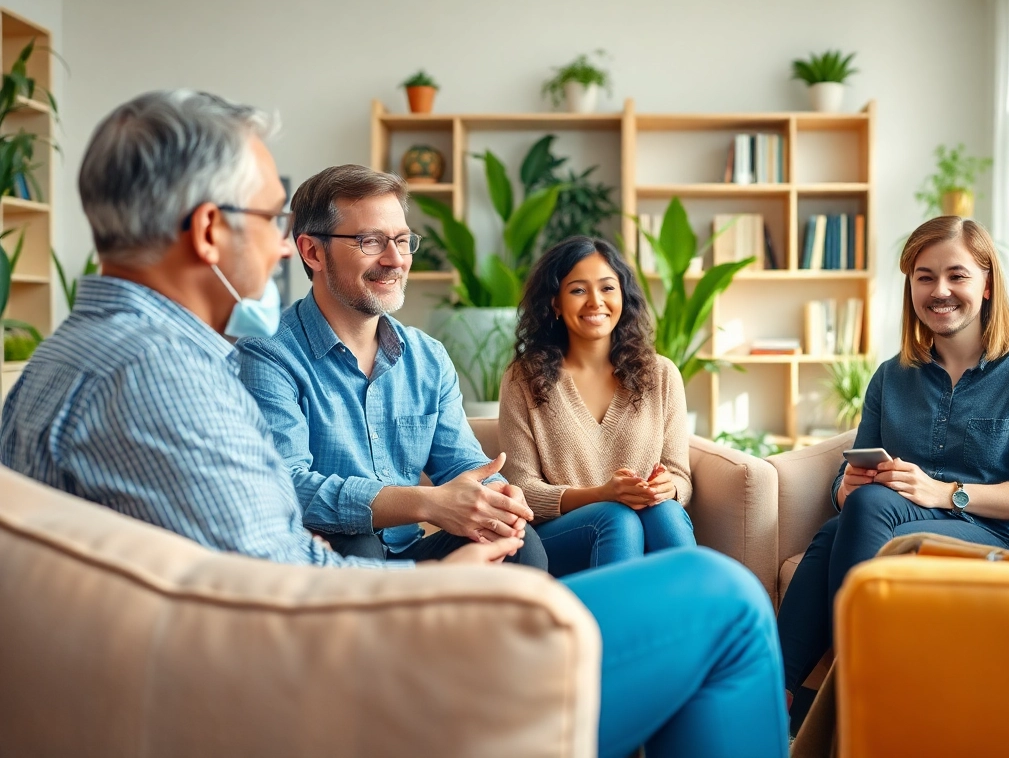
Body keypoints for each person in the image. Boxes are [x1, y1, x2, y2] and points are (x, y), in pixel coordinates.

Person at [0, 91, 788, 758]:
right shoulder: (164, 377)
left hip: (251, 666)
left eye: (401, 239)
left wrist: (478, 519)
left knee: (635, 580)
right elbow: (283, 598)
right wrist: (437, 584)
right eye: (271, 218)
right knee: (721, 599)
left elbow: (258, 564)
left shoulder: (78, 357)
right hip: (325, 696)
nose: (280, 247)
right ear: (209, 231)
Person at [775, 216, 1009, 717]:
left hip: (995, 532)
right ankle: (781, 700)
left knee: (862, 513)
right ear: (911, 287)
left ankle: (844, 694)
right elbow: (855, 471)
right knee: (843, 520)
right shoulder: (891, 377)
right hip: (894, 518)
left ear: (987, 285)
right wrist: (846, 488)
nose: (940, 291)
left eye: (957, 276)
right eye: (925, 277)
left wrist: (946, 492)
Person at [235, 165, 545, 569]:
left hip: (411, 548)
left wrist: (498, 495)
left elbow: (463, 464)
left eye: (401, 240)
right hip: (326, 557)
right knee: (357, 541)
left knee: (519, 542)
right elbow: (287, 484)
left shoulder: (428, 357)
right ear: (312, 252)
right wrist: (426, 503)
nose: (396, 259)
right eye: (370, 241)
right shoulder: (267, 354)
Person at [498, 236, 696, 576]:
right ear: (555, 302)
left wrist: (669, 487)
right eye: (578, 290)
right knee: (617, 517)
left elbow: (681, 475)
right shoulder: (523, 378)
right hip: (560, 538)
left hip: (647, 524)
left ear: (623, 296)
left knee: (665, 510)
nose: (595, 302)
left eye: (607, 288)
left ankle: (699, 608)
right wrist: (602, 494)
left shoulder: (661, 375)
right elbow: (522, 488)